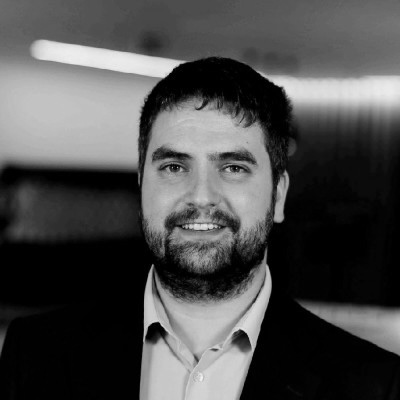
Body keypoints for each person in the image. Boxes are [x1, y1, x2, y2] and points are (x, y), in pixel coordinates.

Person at [1, 57, 399, 400]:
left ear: (278, 196)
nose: (202, 196)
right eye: (175, 167)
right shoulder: (35, 351)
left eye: (233, 167)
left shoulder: (374, 384)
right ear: (142, 186)